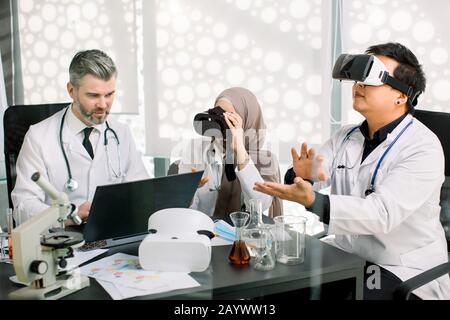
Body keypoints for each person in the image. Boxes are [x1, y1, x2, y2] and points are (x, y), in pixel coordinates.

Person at [255, 42, 450, 300]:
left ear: (401, 95)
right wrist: (301, 175)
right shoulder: (346, 136)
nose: (359, 85)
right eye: (358, 79)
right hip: (347, 252)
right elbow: (315, 175)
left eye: (370, 79)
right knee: (273, 288)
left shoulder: (423, 147)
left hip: (401, 266)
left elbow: (382, 214)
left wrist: (315, 202)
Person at [12, 49, 149, 224]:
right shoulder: (38, 137)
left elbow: (142, 192)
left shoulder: (121, 132)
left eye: (109, 94)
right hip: (62, 240)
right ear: (71, 90)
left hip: (112, 234)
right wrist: (69, 216)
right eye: (93, 95)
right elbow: (23, 207)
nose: (103, 104)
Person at [178, 87, 282, 219]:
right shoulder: (195, 148)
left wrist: (240, 152)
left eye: (230, 117)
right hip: (203, 230)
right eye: (218, 115)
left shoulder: (265, 159)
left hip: (243, 235)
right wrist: (189, 190)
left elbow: (261, 205)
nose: (223, 123)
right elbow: (182, 210)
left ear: (248, 119)